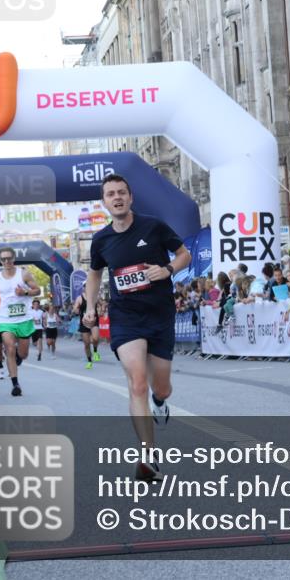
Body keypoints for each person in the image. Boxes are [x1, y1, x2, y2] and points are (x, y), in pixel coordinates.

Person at [84, 173, 191, 483]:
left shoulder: (153, 226)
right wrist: (90, 307)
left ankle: (160, 402)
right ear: (104, 202)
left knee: (160, 387)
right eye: (110, 194)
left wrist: (167, 269)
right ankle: (148, 456)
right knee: (137, 382)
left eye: (121, 192)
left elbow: (185, 254)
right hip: (125, 316)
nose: (116, 197)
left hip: (159, 314)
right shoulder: (101, 239)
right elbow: (94, 275)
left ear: (130, 198)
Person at [0, 246, 42, 396]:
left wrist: (24, 292)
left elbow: (38, 290)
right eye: (3, 259)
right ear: (0, 261)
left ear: (13, 259)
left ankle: (19, 357)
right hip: (5, 319)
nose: (6, 261)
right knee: (9, 348)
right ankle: (15, 384)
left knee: (23, 354)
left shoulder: (23, 274)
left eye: (9, 258)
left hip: (24, 319)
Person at [73, 294, 99, 369]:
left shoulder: (95, 295)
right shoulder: (79, 298)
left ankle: (95, 352)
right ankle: (89, 361)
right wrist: (76, 310)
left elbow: (101, 303)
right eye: (85, 286)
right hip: (84, 322)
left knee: (95, 338)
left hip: (94, 320)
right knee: (87, 344)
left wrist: (101, 309)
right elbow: (75, 308)